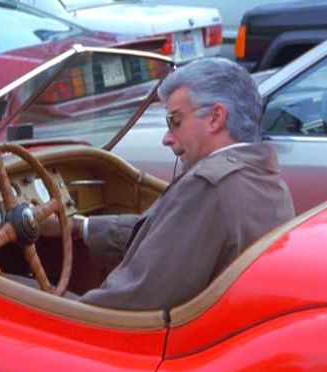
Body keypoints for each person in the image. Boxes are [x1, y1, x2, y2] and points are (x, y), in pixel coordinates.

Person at [52, 57, 295, 310]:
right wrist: (79, 227)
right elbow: (167, 233)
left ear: (216, 118)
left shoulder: (208, 186)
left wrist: (63, 308)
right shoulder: (265, 176)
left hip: (160, 342)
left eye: (175, 122)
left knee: (14, 292)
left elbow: (135, 298)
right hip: (223, 331)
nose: (167, 139)